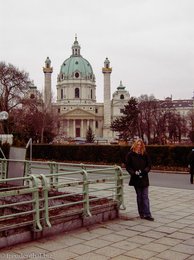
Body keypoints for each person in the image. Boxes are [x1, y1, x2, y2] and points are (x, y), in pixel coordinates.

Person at [125, 139, 154, 221]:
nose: (139, 146)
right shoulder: (130, 154)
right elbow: (128, 166)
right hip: (136, 178)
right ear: (135, 145)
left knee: (145, 196)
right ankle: (141, 213)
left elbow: (149, 165)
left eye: (140, 145)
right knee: (139, 196)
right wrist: (134, 173)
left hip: (144, 177)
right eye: (137, 144)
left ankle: (147, 214)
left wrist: (145, 171)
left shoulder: (144, 154)